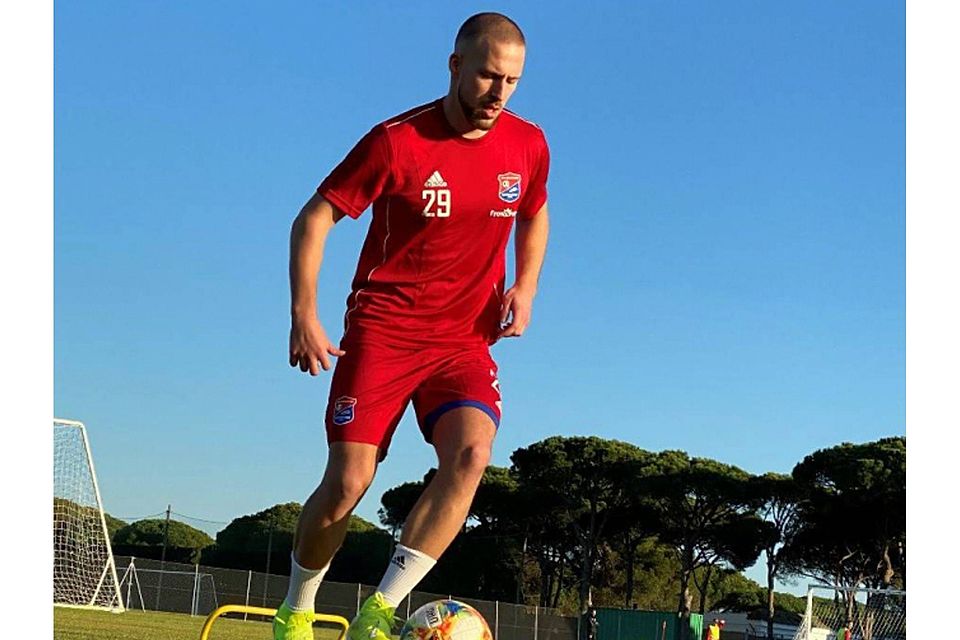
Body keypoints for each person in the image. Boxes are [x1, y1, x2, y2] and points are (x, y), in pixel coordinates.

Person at [272, 12, 551, 640]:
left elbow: (535, 212)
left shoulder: (528, 144)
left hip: (463, 340)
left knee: (473, 454)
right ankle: (297, 608)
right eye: (486, 75)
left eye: (511, 81)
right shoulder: (396, 141)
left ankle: (379, 611)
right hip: (384, 330)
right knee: (348, 482)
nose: (498, 93)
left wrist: (526, 286)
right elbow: (313, 219)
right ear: (455, 66)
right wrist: (303, 314)